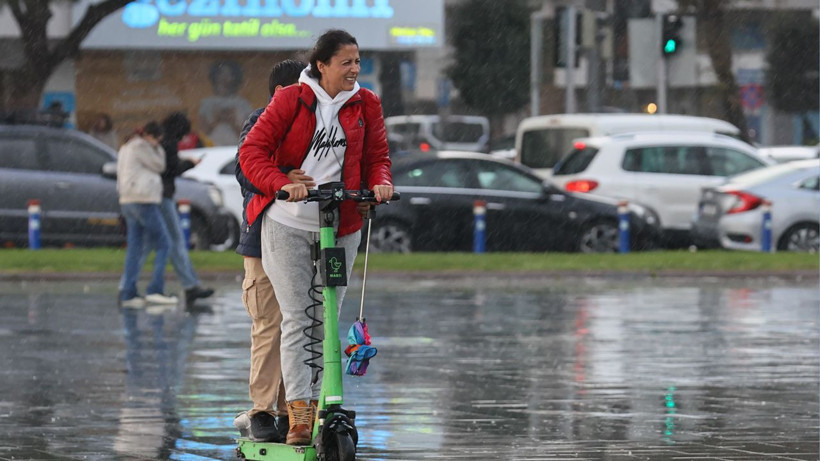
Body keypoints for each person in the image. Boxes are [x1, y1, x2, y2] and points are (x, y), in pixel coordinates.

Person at [239, 29, 393, 446]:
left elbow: (378, 157)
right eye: (346, 62)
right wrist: (281, 183)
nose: (354, 69)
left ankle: (324, 404)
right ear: (321, 65)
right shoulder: (291, 99)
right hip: (287, 223)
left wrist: (380, 182)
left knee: (327, 319)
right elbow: (251, 154)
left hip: (340, 225)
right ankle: (299, 416)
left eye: (358, 61)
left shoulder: (366, 103)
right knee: (296, 318)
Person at [232, 59, 307, 443]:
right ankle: (262, 410)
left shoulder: (315, 123)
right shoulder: (260, 121)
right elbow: (246, 169)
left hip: (301, 239)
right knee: (269, 324)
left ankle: (288, 411)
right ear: (281, 92)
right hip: (262, 241)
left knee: (299, 325)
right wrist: (281, 178)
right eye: (302, 89)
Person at [147, 112, 215, 304]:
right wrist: (189, 164)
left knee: (151, 244)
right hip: (163, 196)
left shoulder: (159, 140)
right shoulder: (168, 143)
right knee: (174, 241)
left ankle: (130, 287)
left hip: (154, 195)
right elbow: (170, 169)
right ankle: (188, 285)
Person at [117, 122, 178, 307]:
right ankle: (155, 289)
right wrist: (157, 148)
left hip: (128, 200)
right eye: (158, 139)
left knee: (135, 248)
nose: (158, 143)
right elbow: (160, 165)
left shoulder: (127, 146)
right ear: (151, 136)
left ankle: (128, 293)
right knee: (164, 243)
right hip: (143, 200)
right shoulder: (142, 146)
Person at [199, 60, 253, 146]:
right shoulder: (206, 104)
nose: (224, 78)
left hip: (236, 148)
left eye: (229, 74)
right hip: (211, 149)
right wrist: (216, 119)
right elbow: (203, 133)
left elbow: (250, 135)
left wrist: (232, 121)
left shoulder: (243, 104)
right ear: (215, 77)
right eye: (221, 74)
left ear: (235, 78)